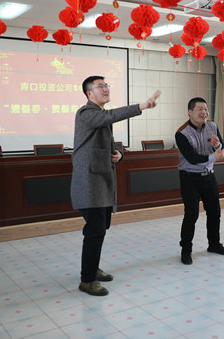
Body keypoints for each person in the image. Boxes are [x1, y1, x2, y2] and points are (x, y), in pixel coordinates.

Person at [71, 75, 160, 296]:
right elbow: (110, 116)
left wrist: (119, 154)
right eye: (100, 86)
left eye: (106, 85)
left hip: (101, 181)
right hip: (89, 183)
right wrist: (141, 106)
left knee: (100, 228)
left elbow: (106, 145)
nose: (105, 89)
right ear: (89, 93)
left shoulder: (100, 115)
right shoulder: (86, 113)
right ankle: (87, 280)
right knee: (95, 230)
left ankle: (92, 268)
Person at [175, 97, 224, 265]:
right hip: (189, 177)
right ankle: (186, 250)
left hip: (209, 176)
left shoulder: (213, 126)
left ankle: (214, 244)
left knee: (214, 212)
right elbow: (192, 159)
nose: (204, 112)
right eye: (200, 109)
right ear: (190, 112)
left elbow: (221, 149)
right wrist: (214, 156)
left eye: (205, 109)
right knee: (191, 215)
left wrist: (217, 145)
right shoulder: (181, 133)